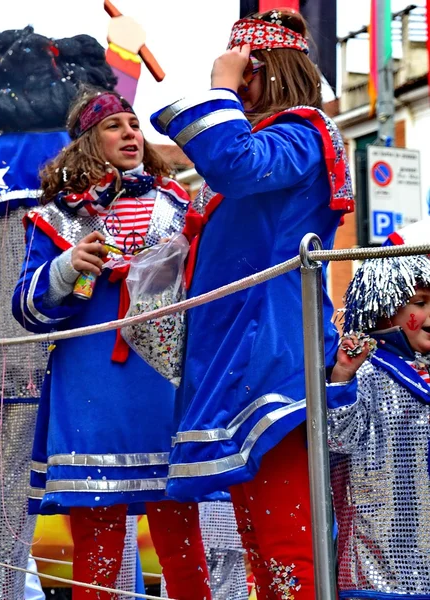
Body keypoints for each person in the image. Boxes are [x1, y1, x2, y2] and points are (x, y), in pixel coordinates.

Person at [150, 8, 354, 599]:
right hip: (235, 345)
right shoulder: (275, 136)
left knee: (287, 547)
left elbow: (237, 167)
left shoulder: (303, 133)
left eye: (245, 74)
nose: (236, 87)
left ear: (266, 70)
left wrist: (218, 83)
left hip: (267, 347)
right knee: (261, 547)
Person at [12, 87, 211, 600]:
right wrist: (64, 268)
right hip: (91, 391)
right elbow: (26, 310)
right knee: (96, 549)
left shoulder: (177, 204)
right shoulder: (58, 217)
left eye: (134, 124)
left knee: (181, 539)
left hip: (162, 389)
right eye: (114, 125)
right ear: (86, 141)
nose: (130, 133)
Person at [0, 26, 118, 600]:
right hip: (95, 360)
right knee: (106, 496)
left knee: (4, 498)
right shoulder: (95, 159)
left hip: (8, 368)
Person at [328, 254, 430, 598]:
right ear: (384, 308)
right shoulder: (366, 372)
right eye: (421, 302)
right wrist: (342, 377)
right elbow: (335, 439)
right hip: (381, 561)